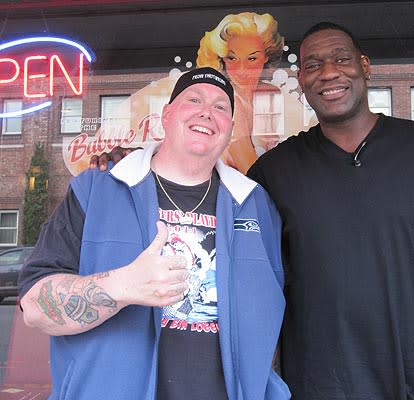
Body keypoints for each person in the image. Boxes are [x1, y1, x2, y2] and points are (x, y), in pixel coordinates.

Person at [246, 22, 414, 400]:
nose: (329, 72)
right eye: (313, 65)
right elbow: (258, 290)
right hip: (316, 389)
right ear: (300, 80)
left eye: (341, 59)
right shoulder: (273, 172)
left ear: (365, 66)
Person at [18, 67, 290, 400]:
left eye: (221, 107)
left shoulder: (255, 204)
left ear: (230, 130)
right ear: (166, 116)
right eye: (194, 99)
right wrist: (121, 286)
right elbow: (33, 307)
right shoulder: (96, 191)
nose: (207, 111)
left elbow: (275, 317)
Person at [196, 12, 285, 174]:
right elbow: (254, 175)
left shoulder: (269, 94)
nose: (242, 69)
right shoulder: (227, 103)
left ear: (266, 56)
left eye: (252, 59)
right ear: (222, 58)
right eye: (232, 58)